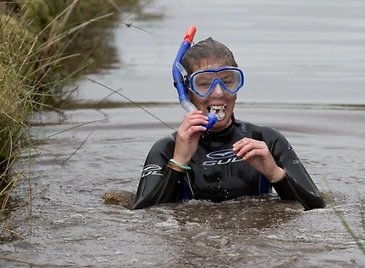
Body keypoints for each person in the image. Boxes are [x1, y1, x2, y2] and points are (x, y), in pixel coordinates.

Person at [132, 37, 325, 210]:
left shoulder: (265, 140)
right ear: (188, 92)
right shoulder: (167, 148)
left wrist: (275, 174)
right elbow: (144, 218)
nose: (218, 92)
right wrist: (178, 163)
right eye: (205, 84)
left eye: (227, 81)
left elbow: (317, 207)